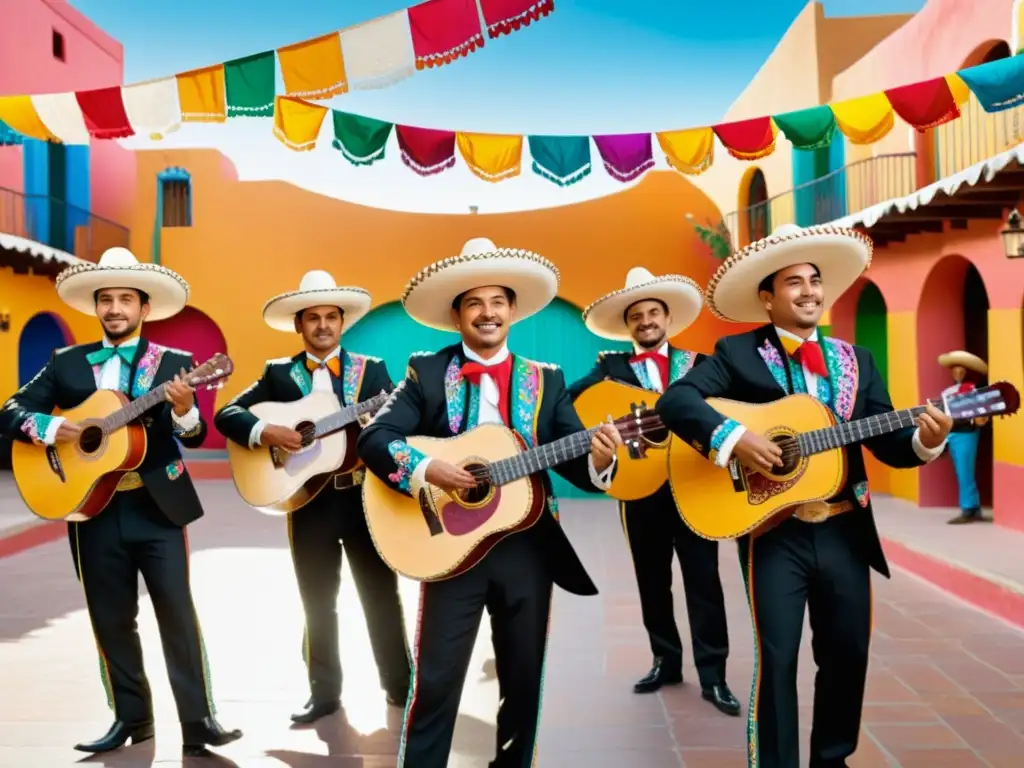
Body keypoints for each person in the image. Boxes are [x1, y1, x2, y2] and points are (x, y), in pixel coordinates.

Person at [656, 224, 953, 768]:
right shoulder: (737, 353)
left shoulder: (857, 360)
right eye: (794, 282)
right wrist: (735, 439)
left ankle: (832, 759)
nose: (809, 291)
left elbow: (886, 440)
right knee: (777, 658)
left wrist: (925, 441)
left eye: (815, 280)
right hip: (775, 534)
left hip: (844, 527)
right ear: (767, 298)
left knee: (847, 655)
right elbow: (677, 400)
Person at [356, 237, 622, 767]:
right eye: (474, 303)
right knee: (435, 679)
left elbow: (574, 462)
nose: (487, 313)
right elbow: (376, 439)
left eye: (497, 302)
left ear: (513, 311)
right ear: (457, 315)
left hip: (529, 546)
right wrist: (430, 469)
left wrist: (599, 457)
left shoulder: (547, 380)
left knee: (523, 680)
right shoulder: (426, 372)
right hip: (451, 547)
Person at [0, 247, 242, 756]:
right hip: (90, 507)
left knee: (177, 612)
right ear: (96, 307)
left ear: (144, 308)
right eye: (105, 300)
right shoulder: (65, 362)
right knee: (110, 618)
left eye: (125, 300)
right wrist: (50, 427)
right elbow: (11, 410)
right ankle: (132, 719)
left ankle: (200, 722)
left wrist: (182, 412)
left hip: (157, 507)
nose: (114, 309)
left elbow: (195, 434)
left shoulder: (176, 365)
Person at [214, 270, 411, 723]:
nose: (323, 325)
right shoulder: (278, 374)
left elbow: (398, 423)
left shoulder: (373, 371)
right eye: (313, 318)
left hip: (364, 500)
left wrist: (376, 426)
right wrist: (268, 432)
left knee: (380, 594)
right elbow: (228, 414)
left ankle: (400, 686)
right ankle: (323, 693)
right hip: (307, 501)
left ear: (342, 323)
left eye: (331, 317)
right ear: (299, 325)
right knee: (317, 598)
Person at [568, 267, 739, 714]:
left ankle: (714, 674)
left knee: (705, 582)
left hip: (694, 487)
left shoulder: (701, 365)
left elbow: (728, 412)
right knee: (652, 580)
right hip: (640, 490)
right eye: (637, 316)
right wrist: (607, 426)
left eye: (653, 313)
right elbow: (570, 405)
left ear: (668, 318)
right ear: (629, 325)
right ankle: (665, 660)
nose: (646, 321)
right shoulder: (611, 367)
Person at [938, 350, 989, 524]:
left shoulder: (974, 391)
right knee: (961, 471)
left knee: (965, 470)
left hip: (967, 433)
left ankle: (969, 508)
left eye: (961, 370)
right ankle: (971, 506)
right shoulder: (947, 392)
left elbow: (982, 415)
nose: (958, 373)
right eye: (955, 370)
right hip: (951, 433)